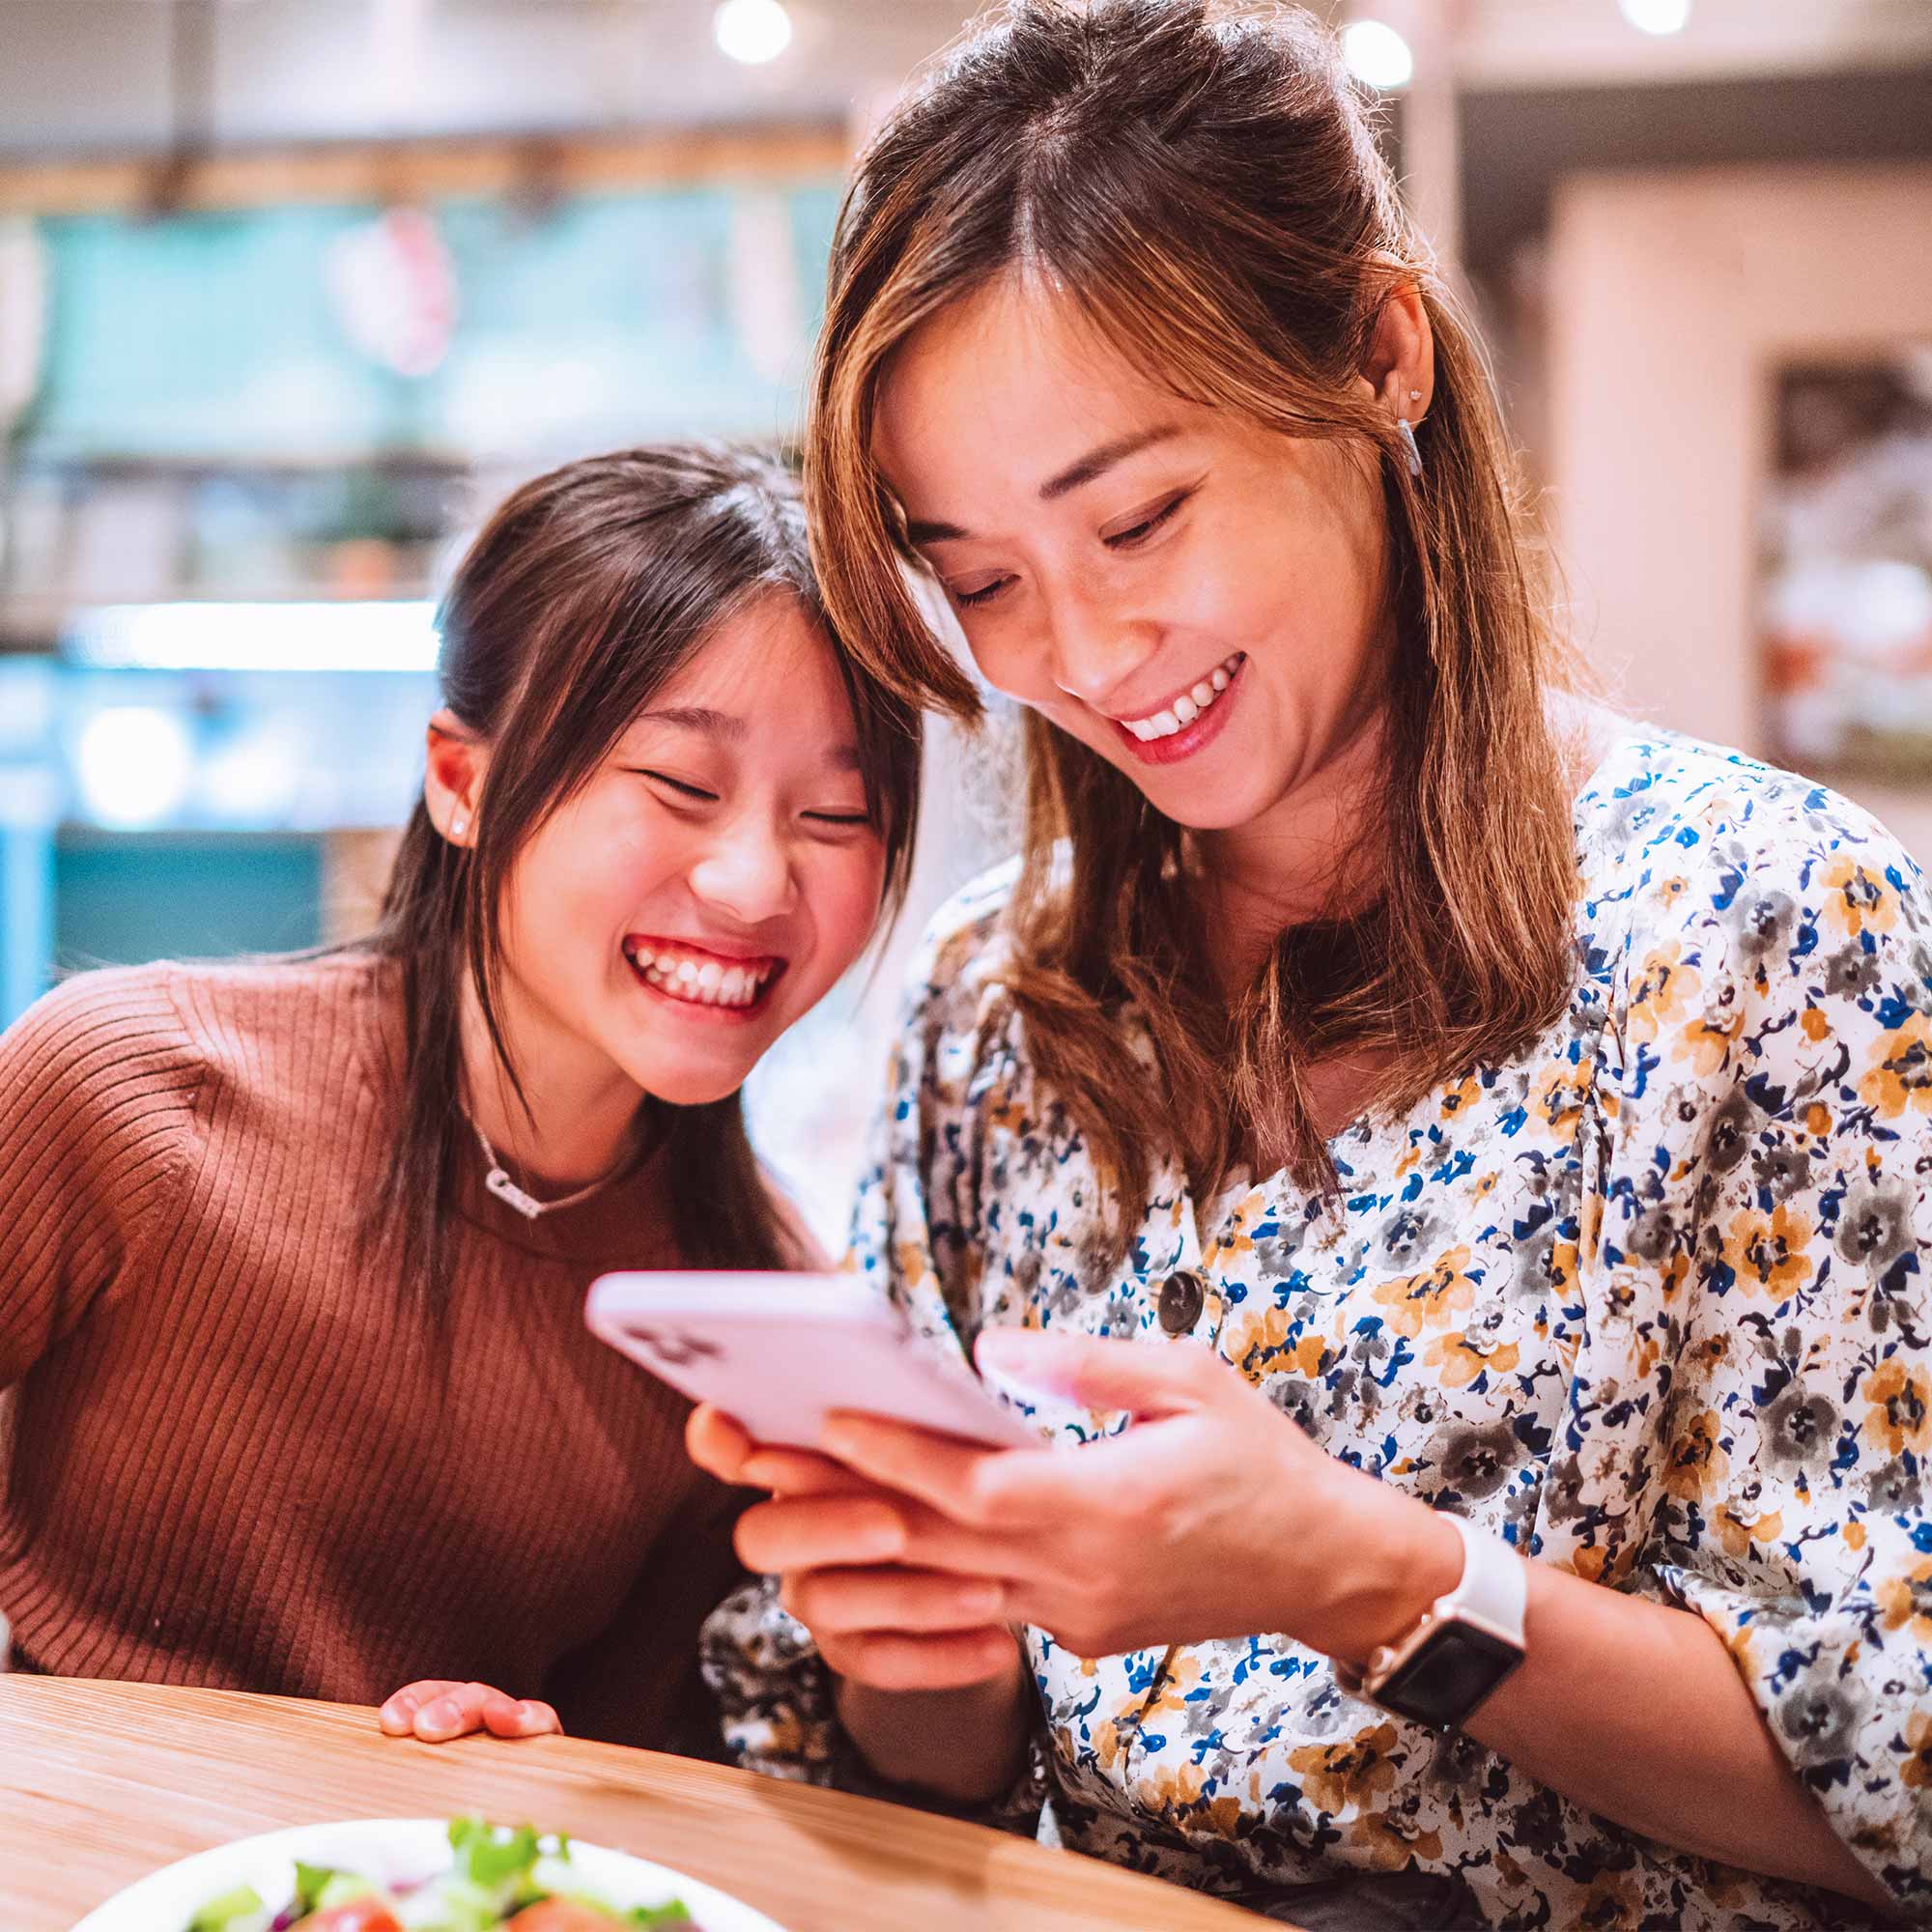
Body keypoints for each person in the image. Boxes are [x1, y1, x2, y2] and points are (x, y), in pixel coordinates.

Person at [689, 4, 1932, 1924]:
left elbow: (1890, 1780)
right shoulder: (988, 1006)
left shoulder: (1771, 930)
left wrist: (1366, 1575)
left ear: (1379, 355)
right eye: (984, 577)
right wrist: (916, 1633)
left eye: (1138, 515)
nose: (1086, 655)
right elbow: (937, 1777)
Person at [0, 444, 918, 1755]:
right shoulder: (133, 1088)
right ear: (463, 781)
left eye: (839, 812)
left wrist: (535, 1763)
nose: (755, 882)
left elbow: (657, 1780)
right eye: (682, 786)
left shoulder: (752, 1304)